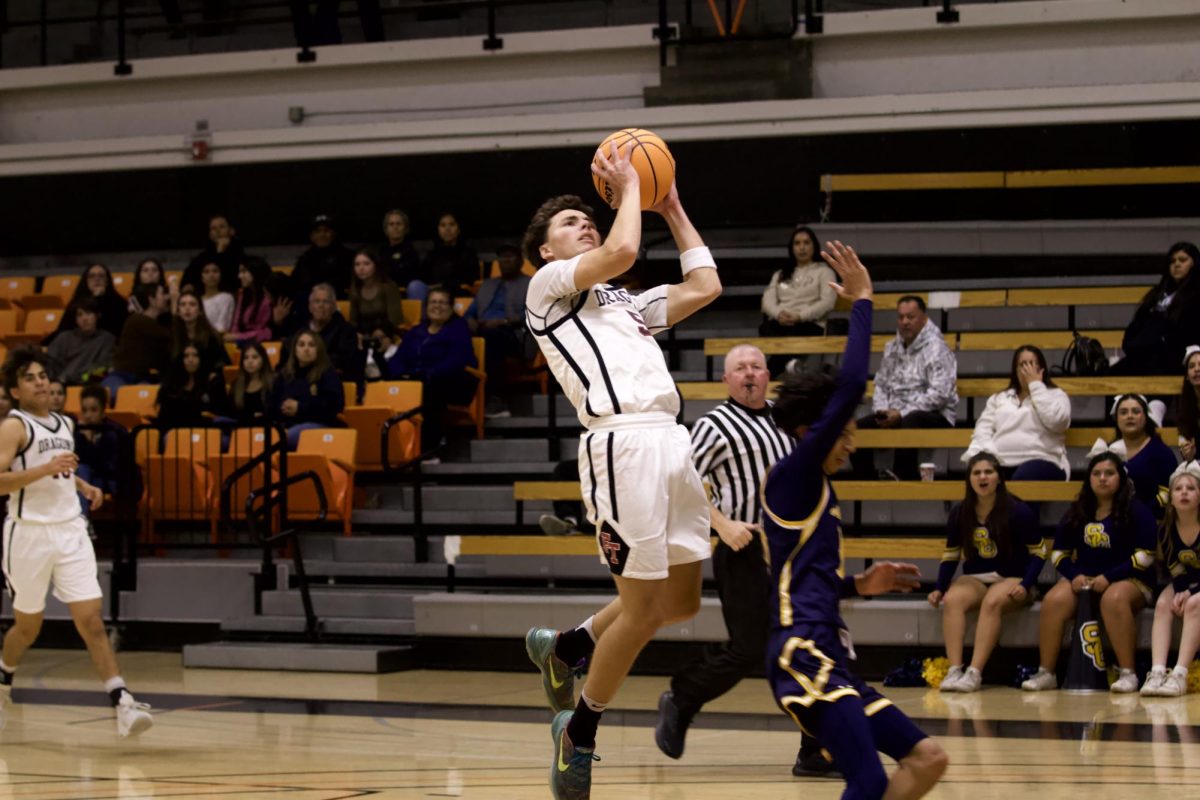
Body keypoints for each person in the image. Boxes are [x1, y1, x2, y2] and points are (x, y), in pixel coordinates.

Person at [518, 144, 723, 800]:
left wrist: (672, 204)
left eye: (588, 216)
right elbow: (623, 251)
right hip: (619, 445)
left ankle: (573, 646)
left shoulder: (626, 305)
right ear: (548, 252)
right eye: (568, 223)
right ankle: (578, 733)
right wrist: (631, 184)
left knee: (682, 602)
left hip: (673, 443)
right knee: (640, 612)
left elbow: (705, 286)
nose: (583, 222)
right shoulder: (547, 290)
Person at [760, 242, 948, 798]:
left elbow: (801, 579)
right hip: (800, 651)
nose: (851, 441)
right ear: (810, 432)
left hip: (829, 653)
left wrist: (858, 585)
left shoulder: (816, 488)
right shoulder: (793, 473)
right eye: (842, 432)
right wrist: (862, 301)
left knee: (929, 759)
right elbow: (851, 385)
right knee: (866, 777)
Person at [652, 343, 833, 777]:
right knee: (749, 647)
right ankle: (683, 696)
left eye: (755, 366)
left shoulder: (785, 417)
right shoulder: (714, 425)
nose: (749, 374)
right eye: (739, 369)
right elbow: (680, 484)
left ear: (768, 374)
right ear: (726, 380)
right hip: (743, 547)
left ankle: (814, 750)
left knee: (808, 646)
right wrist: (721, 523)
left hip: (792, 551)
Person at [0, 347, 154, 736]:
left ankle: (121, 700)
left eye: (42, 375)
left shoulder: (64, 424)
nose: (40, 381)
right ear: (15, 391)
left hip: (70, 528)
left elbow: (61, 471)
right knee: (28, 628)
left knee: (90, 620)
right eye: (30, 377)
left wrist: (85, 485)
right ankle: (3, 675)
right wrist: (45, 469)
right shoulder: (13, 427)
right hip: (29, 534)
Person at [1022, 452, 1157, 693]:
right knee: (1053, 600)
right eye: (1096, 474)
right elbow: (1058, 554)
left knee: (1113, 599)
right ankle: (1047, 672)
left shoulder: (1137, 510)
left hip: (1131, 580)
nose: (1103, 478)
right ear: (1089, 479)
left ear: (1121, 478)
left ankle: (1128, 673)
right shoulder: (1078, 510)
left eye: (1109, 473)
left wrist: (1110, 577)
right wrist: (1074, 576)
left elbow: (1146, 555)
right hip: (1086, 579)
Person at [929, 452, 1047, 693]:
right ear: (969, 479)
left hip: (1012, 578)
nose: (982, 477)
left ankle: (975, 673)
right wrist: (940, 587)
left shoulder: (1018, 510)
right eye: (976, 473)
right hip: (975, 578)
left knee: (993, 602)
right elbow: (951, 555)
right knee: (952, 599)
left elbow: (1040, 552)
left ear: (999, 478)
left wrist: (1026, 584)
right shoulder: (960, 512)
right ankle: (954, 669)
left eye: (988, 472)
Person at [851, 295, 958, 480]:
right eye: (901, 317)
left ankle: (904, 479)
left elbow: (940, 394)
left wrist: (901, 413)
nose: (905, 322)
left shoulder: (938, 349)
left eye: (910, 317)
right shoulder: (891, 348)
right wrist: (883, 412)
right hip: (895, 413)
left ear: (923, 319)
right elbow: (881, 384)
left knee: (911, 421)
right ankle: (867, 485)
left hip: (934, 415)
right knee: (857, 429)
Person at [385, 287, 478, 456]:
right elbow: (399, 358)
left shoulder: (459, 328)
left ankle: (429, 447)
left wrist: (428, 373)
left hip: (452, 382)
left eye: (442, 303)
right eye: (433, 302)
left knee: (428, 389)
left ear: (451, 308)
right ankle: (395, 447)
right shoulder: (415, 332)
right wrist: (399, 374)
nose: (437, 306)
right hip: (417, 380)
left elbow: (458, 359)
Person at [962, 345, 1071, 480]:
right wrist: (982, 459)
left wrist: (1036, 386)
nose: (1027, 369)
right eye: (1022, 365)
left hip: (1043, 460)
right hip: (1002, 462)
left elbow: (1057, 422)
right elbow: (982, 431)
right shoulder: (998, 398)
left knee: (1024, 476)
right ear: (1016, 371)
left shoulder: (1056, 395)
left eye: (1032, 364)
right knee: (983, 478)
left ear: (1041, 369)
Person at [1140, 460, 1200, 697]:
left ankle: (1180, 674)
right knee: (1164, 604)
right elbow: (1174, 565)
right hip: (1188, 580)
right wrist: (1182, 587)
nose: (1184, 492)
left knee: (1194, 604)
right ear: (1171, 498)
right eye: (1178, 488)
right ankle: (1157, 672)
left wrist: (1190, 592)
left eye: (1191, 488)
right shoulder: (1165, 529)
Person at [759, 225, 838, 375]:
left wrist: (799, 316)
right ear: (792, 247)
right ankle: (790, 368)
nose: (802, 247)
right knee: (767, 328)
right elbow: (767, 301)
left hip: (809, 323)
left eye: (806, 243)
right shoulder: (781, 273)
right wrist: (779, 314)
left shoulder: (824, 272)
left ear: (814, 246)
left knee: (788, 339)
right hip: (780, 322)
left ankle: (768, 374)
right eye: (797, 243)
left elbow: (828, 302)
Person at [463, 244, 531, 417]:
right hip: (482, 330)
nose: (506, 260)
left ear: (521, 261)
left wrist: (503, 321)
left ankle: (496, 400)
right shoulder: (488, 284)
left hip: (514, 335)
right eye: (502, 257)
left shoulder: (529, 283)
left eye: (510, 256)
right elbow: (470, 312)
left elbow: (534, 314)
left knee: (492, 338)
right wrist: (471, 321)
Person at [1113, 241, 1200, 376]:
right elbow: (1134, 328)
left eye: (1182, 260)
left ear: (1194, 263)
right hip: (1144, 355)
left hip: (1176, 359)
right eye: (1172, 261)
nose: (1176, 264)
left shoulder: (1196, 296)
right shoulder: (1156, 294)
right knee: (1112, 374)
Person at [1090, 394, 1177, 518]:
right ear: (1116, 418)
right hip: (1112, 521)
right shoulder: (1107, 451)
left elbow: (1169, 493)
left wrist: (1141, 514)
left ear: (1146, 417)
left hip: (1151, 521)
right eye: (1124, 412)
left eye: (1136, 412)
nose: (1129, 416)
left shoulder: (1161, 452)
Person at [269, 330, 344, 450]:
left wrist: (300, 408)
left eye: (311, 345)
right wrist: (282, 407)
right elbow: (272, 402)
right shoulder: (284, 375)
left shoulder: (327, 373)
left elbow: (333, 406)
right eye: (301, 344)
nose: (306, 349)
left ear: (318, 350)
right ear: (295, 349)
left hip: (320, 425)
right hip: (286, 425)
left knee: (287, 437)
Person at [103, 283, 173, 400]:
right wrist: (175, 304)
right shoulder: (138, 320)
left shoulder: (155, 325)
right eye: (162, 294)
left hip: (142, 378)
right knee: (115, 395)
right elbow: (171, 336)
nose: (167, 297)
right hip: (122, 376)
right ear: (151, 299)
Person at [285, 284, 363, 384]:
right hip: (299, 380)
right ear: (310, 307)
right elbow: (288, 356)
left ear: (334, 307)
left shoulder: (346, 331)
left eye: (325, 302)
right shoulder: (299, 330)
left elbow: (344, 362)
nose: (321, 305)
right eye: (317, 301)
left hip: (329, 381)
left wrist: (306, 360)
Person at [45, 263, 129, 345]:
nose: (97, 279)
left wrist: (100, 299)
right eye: (92, 276)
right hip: (78, 346)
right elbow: (65, 329)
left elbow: (117, 331)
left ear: (107, 281)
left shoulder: (119, 303)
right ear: (86, 281)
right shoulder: (76, 303)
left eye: (101, 276)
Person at [154, 343, 228, 432]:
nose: (190, 359)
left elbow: (221, 413)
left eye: (195, 355)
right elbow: (164, 417)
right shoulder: (171, 384)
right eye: (186, 356)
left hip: (207, 432)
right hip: (175, 433)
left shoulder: (213, 382)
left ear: (202, 359)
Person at [46, 300, 115, 386]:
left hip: (88, 385)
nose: (84, 318)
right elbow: (50, 362)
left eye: (89, 313)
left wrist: (79, 378)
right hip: (59, 384)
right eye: (80, 315)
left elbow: (103, 367)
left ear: (97, 316)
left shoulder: (106, 339)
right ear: (76, 320)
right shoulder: (64, 337)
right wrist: (55, 381)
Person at [292, 214, 355, 300]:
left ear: (333, 233)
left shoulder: (349, 257)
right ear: (311, 236)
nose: (322, 235)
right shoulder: (304, 259)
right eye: (317, 231)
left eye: (326, 230)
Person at [75, 386, 122, 497]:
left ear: (103, 410)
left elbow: (105, 468)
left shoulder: (113, 432)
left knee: (82, 471)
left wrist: (89, 442)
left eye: (93, 410)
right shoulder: (80, 431)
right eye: (84, 410)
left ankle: (82, 514)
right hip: (87, 479)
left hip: (108, 481)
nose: (88, 415)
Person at [171, 289, 231, 377]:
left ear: (200, 311)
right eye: (183, 304)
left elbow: (223, 362)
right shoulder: (172, 336)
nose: (187, 308)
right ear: (178, 311)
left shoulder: (212, 337)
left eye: (192, 304)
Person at [181, 214, 245, 294]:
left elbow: (230, 279)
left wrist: (221, 252)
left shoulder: (240, 256)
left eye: (221, 227)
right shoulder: (202, 258)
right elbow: (187, 280)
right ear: (210, 234)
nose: (218, 231)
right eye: (213, 228)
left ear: (231, 231)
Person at [348, 247, 405, 336]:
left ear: (376, 265)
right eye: (357, 264)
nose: (361, 268)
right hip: (364, 335)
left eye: (366, 264)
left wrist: (383, 332)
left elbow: (395, 319)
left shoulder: (388, 287)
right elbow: (353, 321)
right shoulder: (355, 289)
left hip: (389, 334)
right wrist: (357, 334)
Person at [420, 213, 480, 294]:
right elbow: (423, 278)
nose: (447, 228)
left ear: (458, 230)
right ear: (438, 230)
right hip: (432, 296)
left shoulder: (468, 254)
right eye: (443, 225)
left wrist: (442, 285)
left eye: (452, 224)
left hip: (457, 294)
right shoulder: (431, 255)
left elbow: (469, 279)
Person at [225, 258, 274, 345]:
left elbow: (266, 333)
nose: (239, 276)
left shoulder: (268, 298)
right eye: (240, 272)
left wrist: (238, 337)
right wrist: (233, 337)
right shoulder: (242, 296)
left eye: (244, 272)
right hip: (242, 343)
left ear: (255, 272)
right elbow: (236, 324)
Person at [227, 342, 276, 424]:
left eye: (255, 357)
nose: (250, 361)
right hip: (241, 429)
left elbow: (274, 411)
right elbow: (231, 412)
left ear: (263, 359)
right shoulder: (236, 384)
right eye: (246, 358)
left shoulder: (274, 382)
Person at [380, 208, 424, 299]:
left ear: (406, 228)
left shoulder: (412, 251)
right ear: (386, 229)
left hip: (406, 293)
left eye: (398, 224)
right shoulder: (380, 252)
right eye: (391, 224)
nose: (395, 227)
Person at [1177, 345, 1200, 461]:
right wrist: (1188, 453)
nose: (1197, 369)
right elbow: (1183, 440)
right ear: (1187, 376)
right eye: (1191, 366)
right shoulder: (1185, 407)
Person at [198, 262, 235, 333]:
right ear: (201, 277)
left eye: (215, 271)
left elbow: (222, 326)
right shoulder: (196, 300)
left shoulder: (226, 298)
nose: (211, 275)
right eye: (206, 272)